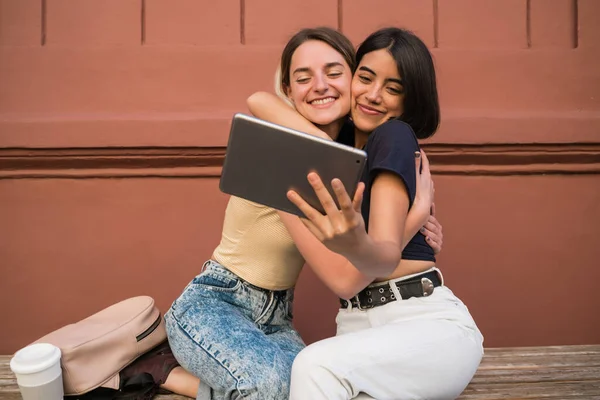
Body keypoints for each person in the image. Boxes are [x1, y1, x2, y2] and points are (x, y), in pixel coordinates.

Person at [163, 27, 444, 400]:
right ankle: (162, 367)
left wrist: (415, 219)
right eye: (302, 77)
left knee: (302, 391)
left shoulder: (354, 152)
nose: (319, 85)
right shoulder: (283, 143)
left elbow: (370, 243)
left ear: (354, 77)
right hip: (217, 301)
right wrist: (415, 216)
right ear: (289, 89)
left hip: (277, 315)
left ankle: (159, 373)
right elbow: (258, 98)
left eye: (333, 72)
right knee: (270, 388)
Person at [250, 27, 484, 400]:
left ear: (410, 101)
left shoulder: (393, 136)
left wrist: (360, 238)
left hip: (423, 324)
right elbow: (259, 100)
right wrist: (417, 214)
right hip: (358, 329)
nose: (373, 96)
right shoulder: (339, 146)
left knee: (313, 365)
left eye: (393, 88)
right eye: (366, 77)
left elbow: (380, 256)